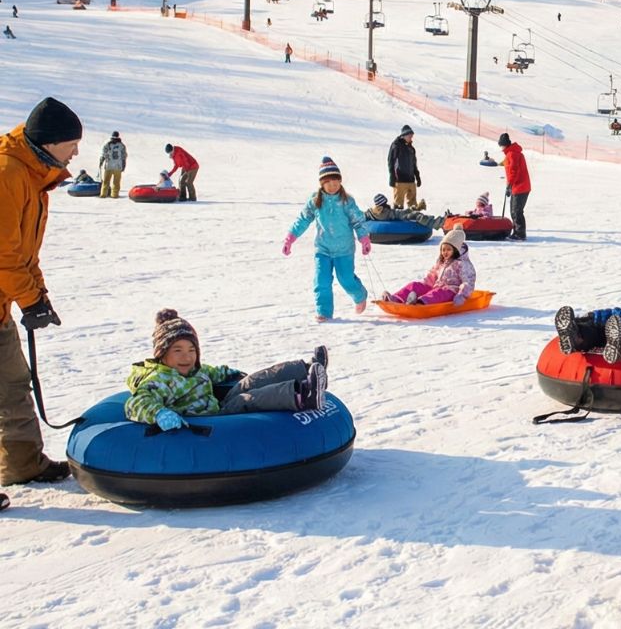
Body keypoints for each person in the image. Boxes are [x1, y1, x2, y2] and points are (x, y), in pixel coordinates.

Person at [0, 97, 83, 489]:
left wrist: (39, 295)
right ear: (50, 143)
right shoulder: (7, 174)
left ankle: (22, 465)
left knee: (12, 384)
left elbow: (24, 253)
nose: (76, 153)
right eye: (72, 144)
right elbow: (2, 253)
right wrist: (28, 298)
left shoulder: (31, 176)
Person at [124, 309, 328, 427]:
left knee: (249, 382)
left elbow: (213, 373)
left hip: (216, 407)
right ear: (161, 354)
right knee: (246, 400)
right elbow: (136, 403)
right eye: (177, 350)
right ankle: (303, 395)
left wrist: (229, 373)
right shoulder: (159, 380)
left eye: (192, 350)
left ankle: (306, 369)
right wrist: (159, 414)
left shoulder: (196, 370)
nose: (186, 357)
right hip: (209, 420)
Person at [283, 157, 372, 322]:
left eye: (336, 182)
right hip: (322, 249)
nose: (333, 186)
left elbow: (358, 221)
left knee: (346, 279)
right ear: (322, 184)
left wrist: (364, 238)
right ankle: (323, 312)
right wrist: (290, 238)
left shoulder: (346, 201)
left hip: (344, 249)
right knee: (321, 280)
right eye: (329, 183)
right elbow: (303, 220)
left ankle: (360, 295)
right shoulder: (315, 201)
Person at [381, 227, 476, 307]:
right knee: (415, 285)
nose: (445, 252)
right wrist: (422, 287)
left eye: (448, 249)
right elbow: (432, 276)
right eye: (443, 250)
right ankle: (396, 298)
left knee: (437, 293)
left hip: (452, 292)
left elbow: (468, 282)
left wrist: (461, 295)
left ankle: (419, 303)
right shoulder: (441, 262)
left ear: (455, 250)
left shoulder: (462, 264)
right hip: (436, 288)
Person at [499, 131, 531, 240]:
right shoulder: (511, 153)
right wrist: (498, 163)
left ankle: (520, 234)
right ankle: (517, 232)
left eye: (501, 145)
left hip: (520, 187)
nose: (501, 148)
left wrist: (509, 186)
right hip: (519, 186)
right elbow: (508, 163)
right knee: (514, 211)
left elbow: (513, 171)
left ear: (505, 144)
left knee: (516, 211)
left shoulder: (512, 154)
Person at [365, 193, 443, 229]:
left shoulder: (371, 213)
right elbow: (396, 213)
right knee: (416, 215)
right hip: (398, 216)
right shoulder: (386, 211)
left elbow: (364, 216)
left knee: (410, 212)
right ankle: (438, 223)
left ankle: (418, 207)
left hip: (398, 215)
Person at [388, 125, 421, 210]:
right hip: (400, 180)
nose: (411, 137)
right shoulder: (396, 145)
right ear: (404, 135)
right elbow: (391, 161)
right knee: (398, 206)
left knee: (413, 206)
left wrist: (417, 176)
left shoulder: (411, 148)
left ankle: (413, 217)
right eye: (410, 136)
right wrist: (392, 177)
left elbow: (414, 163)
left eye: (412, 136)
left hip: (411, 180)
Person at [98, 130, 127, 198]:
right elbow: (124, 156)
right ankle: (114, 194)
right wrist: (124, 164)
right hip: (118, 166)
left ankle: (103, 194)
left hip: (109, 166)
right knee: (116, 182)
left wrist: (101, 161)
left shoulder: (108, 144)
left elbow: (104, 153)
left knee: (106, 181)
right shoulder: (121, 145)